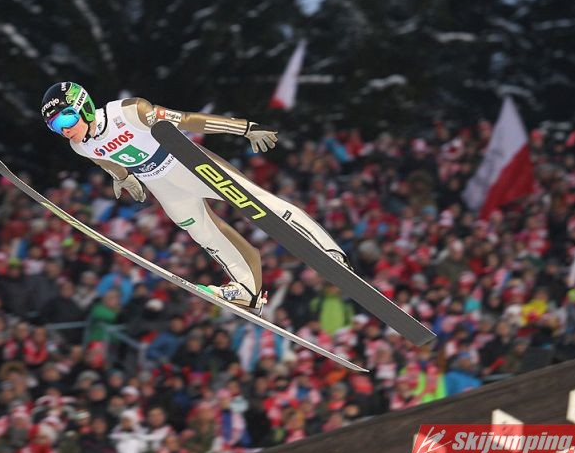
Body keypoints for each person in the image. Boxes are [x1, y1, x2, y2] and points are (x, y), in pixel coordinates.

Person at [39, 82, 352, 310]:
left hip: (188, 165)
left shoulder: (130, 112)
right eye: (55, 127)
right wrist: (123, 178)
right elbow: (104, 159)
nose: (64, 130)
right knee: (203, 233)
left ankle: (329, 251)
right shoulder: (79, 145)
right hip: (162, 186)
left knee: (259, 204)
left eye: (66, 119)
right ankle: (247, 289)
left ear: (84, 107)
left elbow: (188, 120)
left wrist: (243, 128)